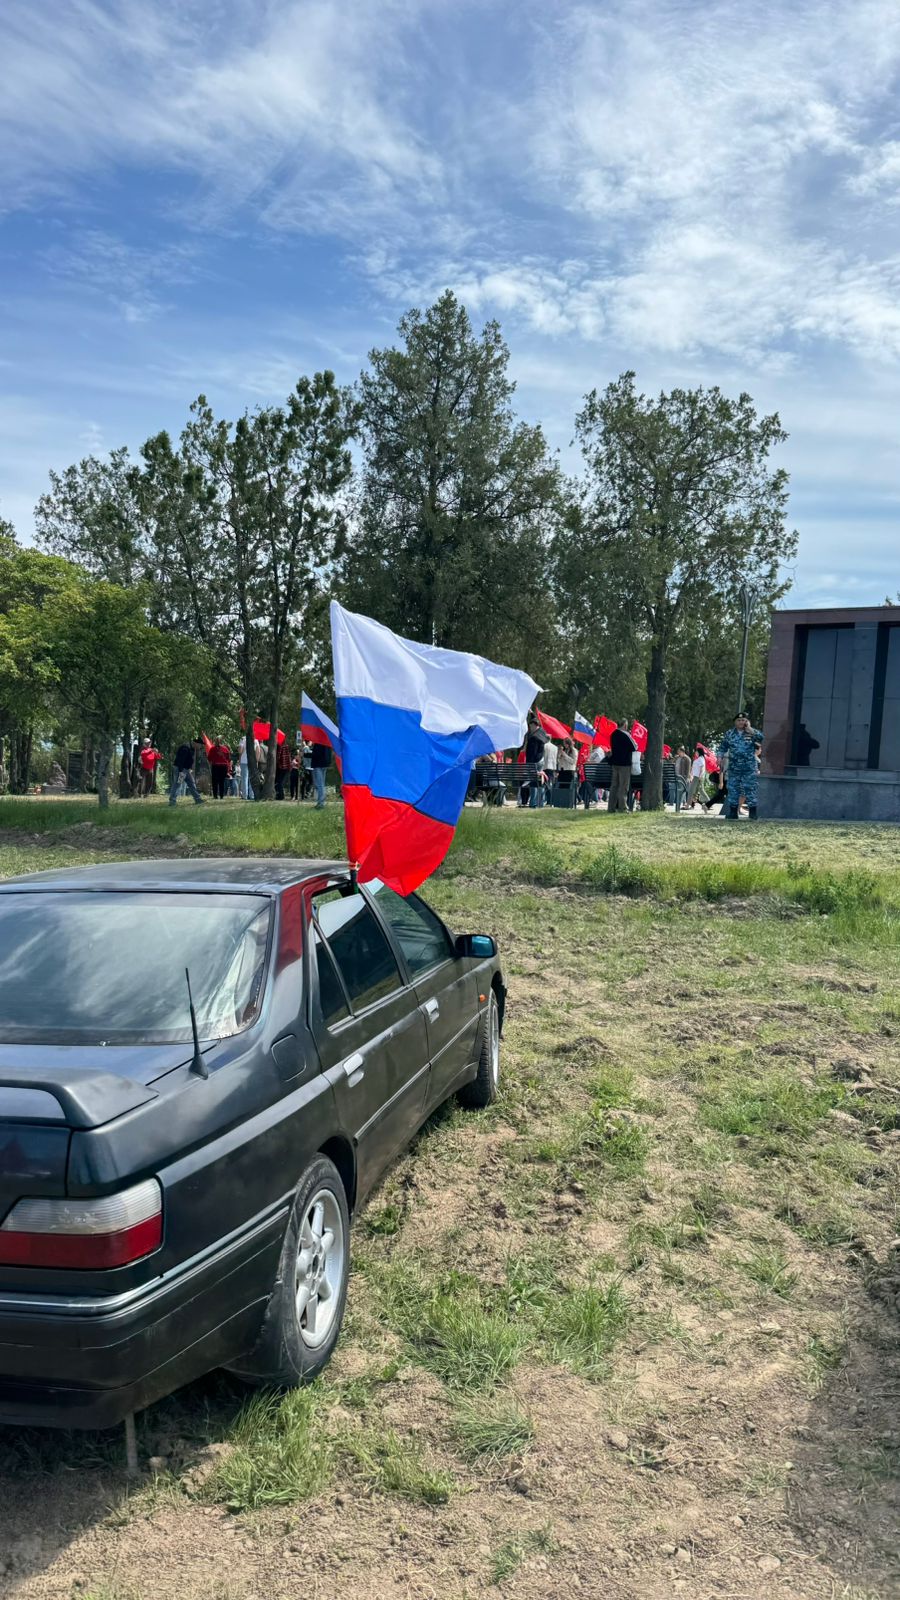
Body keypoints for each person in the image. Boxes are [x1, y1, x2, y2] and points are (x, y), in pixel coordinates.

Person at [717, 713, 764, 819]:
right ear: (735, 722)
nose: (741, 722)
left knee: (750, 788)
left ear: (746, 721)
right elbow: (722, 747)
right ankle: (733, 812)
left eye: (743, 720)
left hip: (749, 767)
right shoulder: (729, 734)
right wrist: (719, 757)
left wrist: (750, 729)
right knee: (733, 789)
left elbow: (761, 737)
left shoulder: (751, 733)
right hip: (734, 767)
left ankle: (753, 813)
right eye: (739, 720)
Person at [608, 720, 636, 813]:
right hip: (624, 764)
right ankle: (622, 807)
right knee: (623, 786)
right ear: (624, 725)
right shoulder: (626, 735)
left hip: (615, 763)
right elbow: (635, 747)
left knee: (614, 786)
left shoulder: (613, 734)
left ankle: (611, 808)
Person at [169, 739, 205, 807]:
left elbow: (189, 760)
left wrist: (189, 769)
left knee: (191, 784)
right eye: (200, 744)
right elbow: (180, 760)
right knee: (177, 784)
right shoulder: (185, 748)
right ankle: (172, 801)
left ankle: (198, 799)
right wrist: (181, 771)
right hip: (181, 769)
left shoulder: (192, 749)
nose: (201, 746)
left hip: (186, 770)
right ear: (195, 743)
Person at [207, 736, 231, 800]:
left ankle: (215, 795)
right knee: (222, 781)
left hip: (216, 766)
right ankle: (221, 795)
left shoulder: (212, 749)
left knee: (215, 781)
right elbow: (228, 758)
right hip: (223, 766)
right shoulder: (225, 749)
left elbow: (209, 758)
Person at [310, 737, 331, 808]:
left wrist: (305, 754)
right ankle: (320, 802)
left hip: (318, 764)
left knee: (319, 784)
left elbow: (316, 754)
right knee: (321, 784)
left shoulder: (319, 742)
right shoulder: (327, 740)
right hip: (324, 764)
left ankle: (321, 803)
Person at [673, 746, 691, 812]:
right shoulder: (677, 757)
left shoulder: (687, 759)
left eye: (679, 751)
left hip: (683, 777)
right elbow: (672, 762)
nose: (678, 752)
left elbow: (688, 770)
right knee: (681, 790)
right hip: (676, 776)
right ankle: (682, 803)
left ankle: (679, 805)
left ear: (682, 752)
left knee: (682, 790)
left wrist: (685, 778)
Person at [238, 733, 251, 799]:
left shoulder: (243, 738)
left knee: (244, 779)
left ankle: (245, 796)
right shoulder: (255, 739)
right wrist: (256, 761)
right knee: (251, 779)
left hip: (244, 761)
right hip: (252, 762)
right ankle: (252, 795)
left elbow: (240, 751)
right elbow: (258, 751)